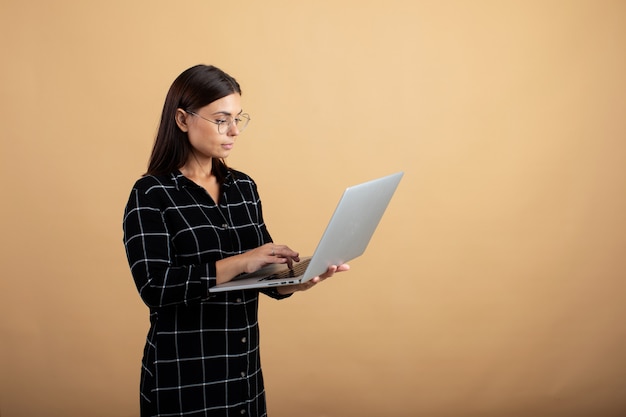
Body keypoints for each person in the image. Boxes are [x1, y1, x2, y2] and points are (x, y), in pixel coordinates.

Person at [122, 64, 349, 417]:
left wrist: (300, 280)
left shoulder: (243, 187)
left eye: (238, 119)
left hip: (242, 375)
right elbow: (154, 287)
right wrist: (240, 261)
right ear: (182, 120)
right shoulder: (151, 193)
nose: (233, 131)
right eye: (221, 119)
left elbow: (267, 278)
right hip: (183, 377)